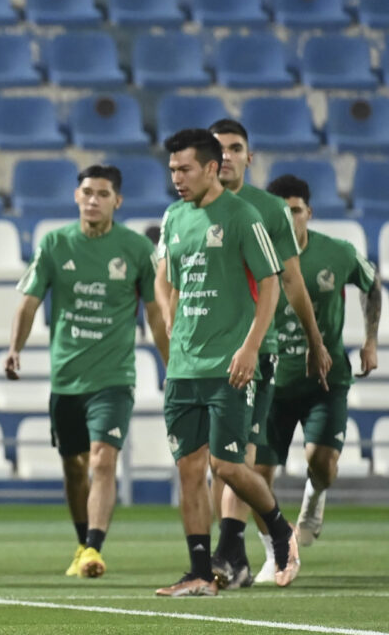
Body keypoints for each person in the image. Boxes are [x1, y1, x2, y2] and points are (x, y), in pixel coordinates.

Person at [154, 129, 299, 597]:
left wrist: (251, 347)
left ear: (212, 168)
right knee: (189, 469)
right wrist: (174, 330)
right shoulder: (174, 218)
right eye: (173, 169)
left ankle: (279, 530)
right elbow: (174, 284)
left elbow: (271, 284)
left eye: (185, 169)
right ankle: (199, 571)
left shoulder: (244, 216)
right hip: (183, 367)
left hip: (230, 364)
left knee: (229, 466)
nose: (177, 178)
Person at [7, 165, 168, 579]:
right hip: (66, 378)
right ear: (77, 197)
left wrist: (175, 367)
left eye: (102, 193)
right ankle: (82, 542)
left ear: (118, 201)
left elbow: (154, 312)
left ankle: (94, 548)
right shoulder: (55, 244)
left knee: (101, 461)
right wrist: (14, 348)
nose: (93, 200)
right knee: (74, 467)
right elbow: (28, 300)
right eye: (87, 192)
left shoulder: (135, 249)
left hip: (114, 379)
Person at [203, 119, 330, 589]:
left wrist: (315, 341)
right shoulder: (192, 209)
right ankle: (236, 550)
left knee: (238, 458)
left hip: (256, 352)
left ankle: (240, 550)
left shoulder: (268, 210)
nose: (229, 156)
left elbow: (291, 279)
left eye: (237, 148)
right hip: (204, 355)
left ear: (248, 157)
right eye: (220, 149)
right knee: (220, 460)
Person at [261, 174, 379, 576]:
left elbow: (372, 283)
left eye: (294, 210)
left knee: (322, 463)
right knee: (259, 475)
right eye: (281, 211)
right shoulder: (257, 257)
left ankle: (313, 502)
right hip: (272, 381)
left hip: (326, 382)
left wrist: (370, 341)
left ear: (308, 213)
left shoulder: (338, 252)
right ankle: (275, 552)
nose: (289, 217)